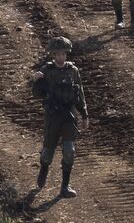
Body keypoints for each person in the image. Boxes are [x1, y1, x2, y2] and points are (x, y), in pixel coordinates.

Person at [30, 36, 88, 199]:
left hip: (69, 116)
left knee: (69, 151)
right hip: (53, 117)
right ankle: (44, 169)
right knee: (48, 152)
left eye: (63, 54)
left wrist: (84, 115)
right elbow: (36, 94)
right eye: (58, 54)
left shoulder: (73, 70)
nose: (61, 57)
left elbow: (80, 94)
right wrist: (37, 80)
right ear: (53, 55)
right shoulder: (47, 70)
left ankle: (65, 186)